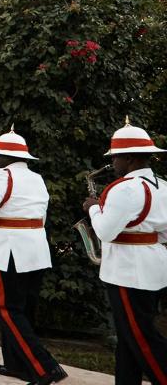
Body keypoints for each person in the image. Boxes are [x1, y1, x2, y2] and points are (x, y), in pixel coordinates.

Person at [0, 128, 66, 385]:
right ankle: (16, 365)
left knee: (6, 309)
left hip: (5, 252)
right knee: (23, 310)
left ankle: (44, 368)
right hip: (34, 251)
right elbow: (41, 217)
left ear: (5, 157)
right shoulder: (37, 179)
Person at [84, 118, 167, 385]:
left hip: (127, 272)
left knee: (142, 339)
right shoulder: (163, 185)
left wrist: (93, 208)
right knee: (128, 337)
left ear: (130, 158)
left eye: (116, 157)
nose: (113, 163)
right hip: (153, 266)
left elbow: (105, 232)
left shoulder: (124, 189)